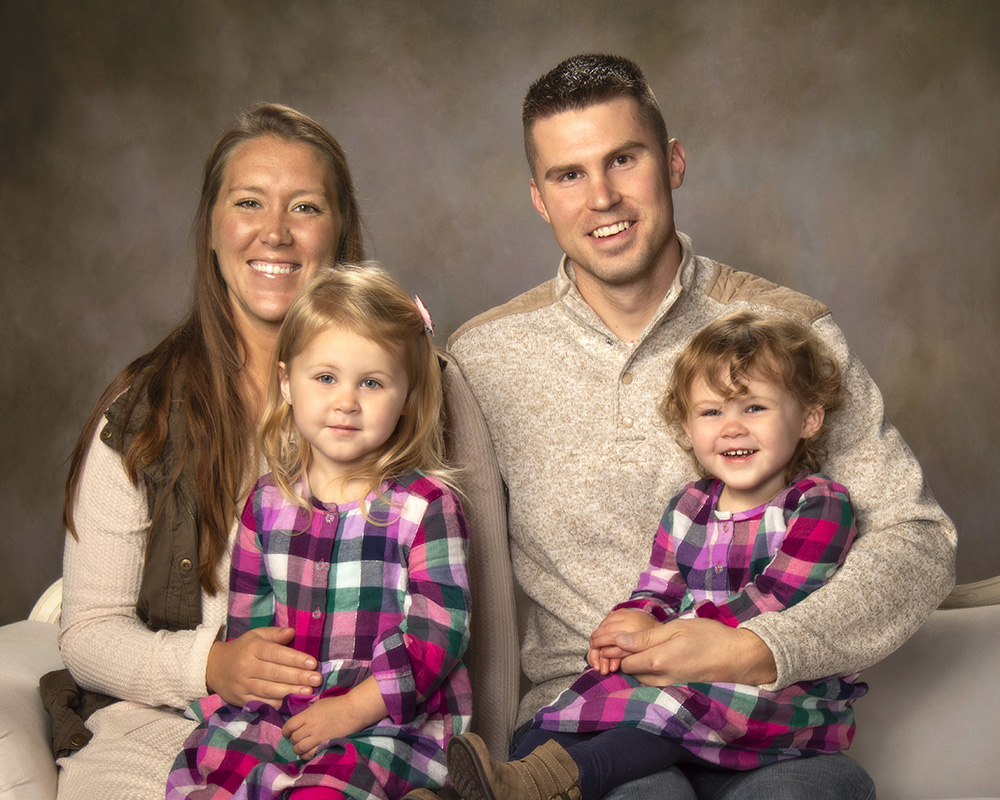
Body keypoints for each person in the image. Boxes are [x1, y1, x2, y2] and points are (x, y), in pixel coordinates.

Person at [447, 54, 955, 798]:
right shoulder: (482, 358)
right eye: (569, 175)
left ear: (673, 161)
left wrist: (754, 648)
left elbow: (917, 539)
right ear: (539, 199)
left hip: (764, 721)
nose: (602, 198)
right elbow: (433, 549)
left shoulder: (787, 329)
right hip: (592, 718)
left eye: (624, 158)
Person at [53, 103, 367, 799]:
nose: (275, 232)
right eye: (249, 202)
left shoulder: (403, 395)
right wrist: (211, 665)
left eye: (306, 207)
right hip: (160, 725)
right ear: (214, 229)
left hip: (347, 731)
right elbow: (88, 632)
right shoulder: (142, 413)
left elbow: (463, 602)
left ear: (340, 230)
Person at [447, 311, 863, 800]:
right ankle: (499, 785)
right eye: (711, 413)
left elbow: (776, 598)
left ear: (809, 418)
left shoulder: (818, 504)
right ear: (687, 427)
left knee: (663, 710)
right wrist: (627, 627)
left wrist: (666, 639)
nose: (731, 428)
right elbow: (658, 588)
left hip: (775, 694)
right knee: (581, 701)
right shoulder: (690, 507)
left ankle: (547, 781)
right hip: (683, 671)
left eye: (753, 408)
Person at [166, 265, 472, 800]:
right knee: (212, 779)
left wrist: (350, 710)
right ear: (287, 382)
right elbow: (250, 630)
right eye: (325, 377)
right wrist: (257, 683)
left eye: (371, 382)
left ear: (408, 393)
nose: (346, 401)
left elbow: (436, 639)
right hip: (281, 709)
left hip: (385, 718)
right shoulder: (265, 505)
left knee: (327, 791)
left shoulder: (425, 508)